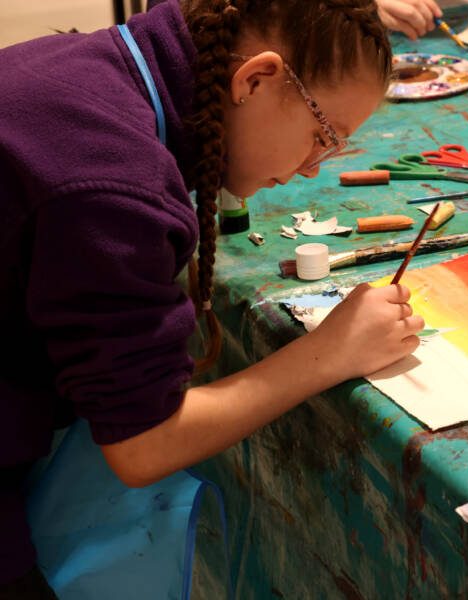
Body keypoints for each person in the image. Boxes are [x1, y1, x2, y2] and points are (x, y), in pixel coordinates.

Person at [0, 0, 440, 596]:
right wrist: (330, 353)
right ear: (255, 79)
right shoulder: (108, 183)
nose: (314, 169)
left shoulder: (99, 70)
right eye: (322, 136)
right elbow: (142, 444)